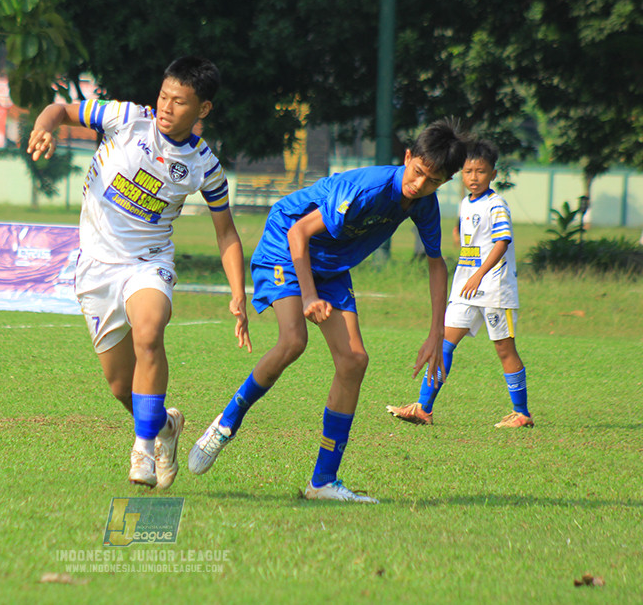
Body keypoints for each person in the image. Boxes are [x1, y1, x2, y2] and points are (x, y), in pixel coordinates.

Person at [187, 120, 469, 503]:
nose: (420, 185)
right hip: (287, 244)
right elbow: (299, 233)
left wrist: (436, 333)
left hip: (330, 262)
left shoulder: (423, 204)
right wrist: (307, 297)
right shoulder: (368, 188)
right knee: (293, 341)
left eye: (433, 181)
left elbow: (437, 264)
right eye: (418, 172)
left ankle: (322, 482)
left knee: (354, 361)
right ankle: (225, 424)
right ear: (408, 157)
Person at [26, 56, 252, 490]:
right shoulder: (126, 118)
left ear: (202, 109)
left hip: (149, 262)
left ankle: (143, 449)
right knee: (119, 387)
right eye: (164, 96)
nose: (166, 107)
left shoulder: (205, 166)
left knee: (149, 331)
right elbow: (61, 110)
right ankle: (165, 426)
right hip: (95, 267)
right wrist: (45, 127)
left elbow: (226, 232)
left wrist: (238, 293)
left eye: (179, 101)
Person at [386, 140, 533, 428]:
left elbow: (502, 242)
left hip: (493, 289)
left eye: (480, 171)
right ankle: (423, 408)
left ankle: (522, 413)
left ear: (493, 173)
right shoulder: (466, 203)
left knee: (505, 350)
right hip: (465, 289)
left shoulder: (496, 204)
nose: (473, 177)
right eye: (468, 171)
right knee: (442, 345)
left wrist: (479, 274)